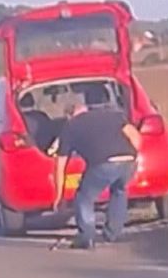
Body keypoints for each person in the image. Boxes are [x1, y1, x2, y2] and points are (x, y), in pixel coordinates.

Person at [54, 96, 141, 250]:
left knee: (84, 197)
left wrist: (59, 196)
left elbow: (61, 164)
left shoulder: (70, 126)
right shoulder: (111, 115)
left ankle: (86, 236)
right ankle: (112, 234)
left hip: (103, 163)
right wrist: (133, 157)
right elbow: (136, 137)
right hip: (129, 159)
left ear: (69, 115)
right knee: (119, 191)